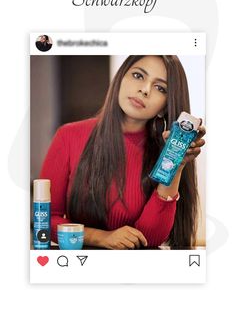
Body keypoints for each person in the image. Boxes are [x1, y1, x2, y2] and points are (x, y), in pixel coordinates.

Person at [40, 55, 206, 249]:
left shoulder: (166, 153)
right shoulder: (68, 136)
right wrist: (101, 237)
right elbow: (45, 221)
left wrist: (176, 167)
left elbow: (149, 239)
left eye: (160, 88)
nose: (144, 90)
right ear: (120, 78)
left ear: (165, 107)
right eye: (138, 75)